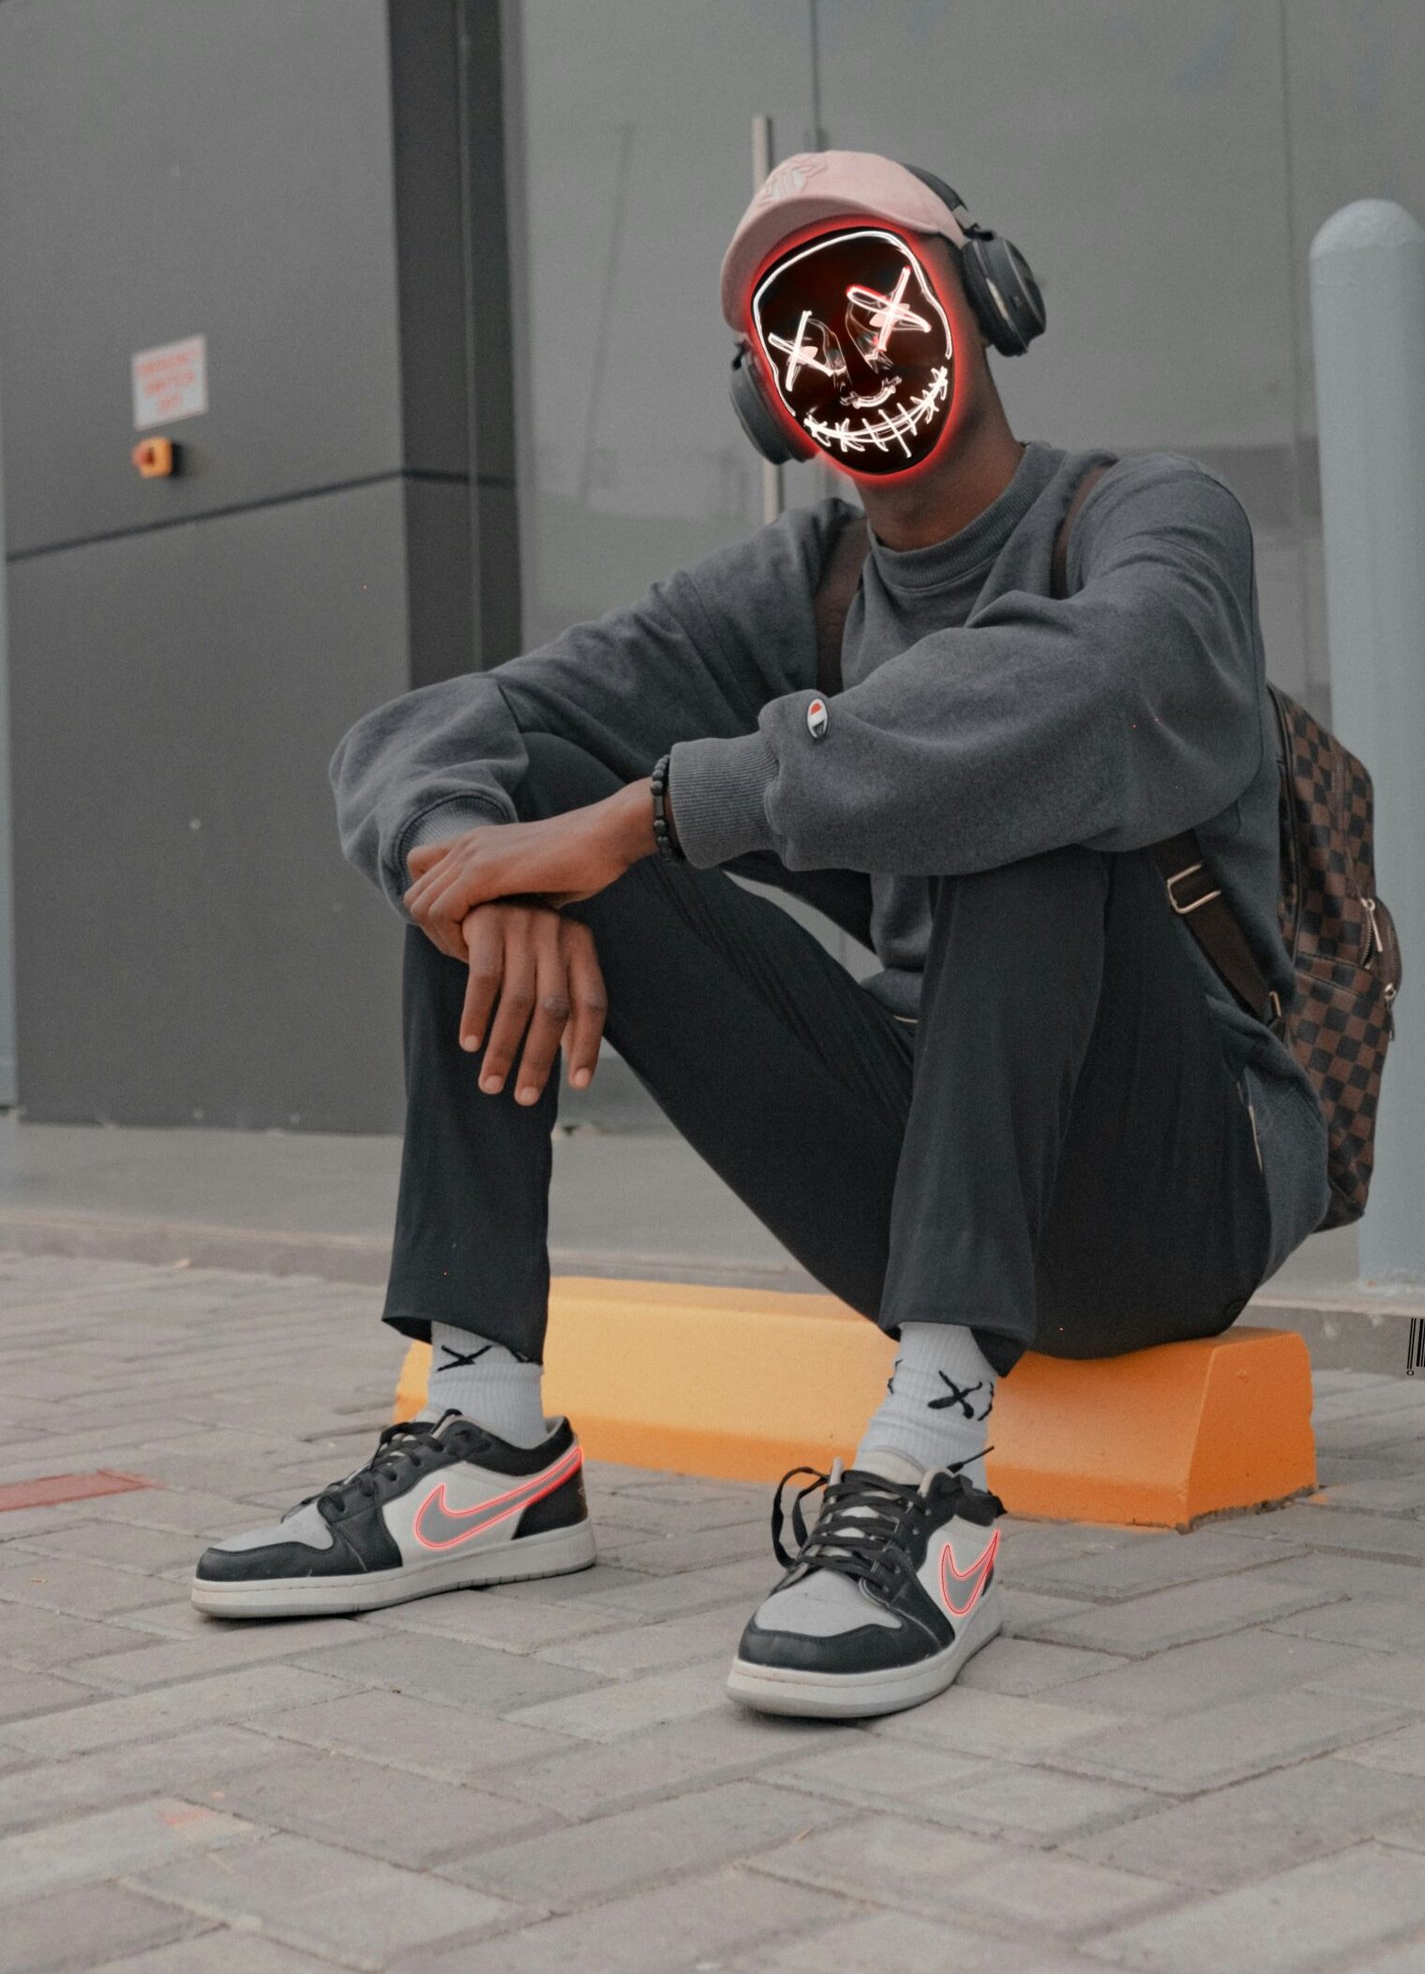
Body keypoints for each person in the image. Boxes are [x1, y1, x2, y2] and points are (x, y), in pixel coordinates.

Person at [192, 151, 1329, 1719]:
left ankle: (931, 1485)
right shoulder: (802, 588)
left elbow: (1109, 682)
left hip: (1176, 1188)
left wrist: (661, 810)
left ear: (982, 300)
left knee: (1008, 773)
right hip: (933, 1168)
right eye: (800, 329)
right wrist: (488, 863)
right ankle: (488, 1444)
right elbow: (445, 722)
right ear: (771, 407)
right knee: (493, 831)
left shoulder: (1147, 517)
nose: (848, 348)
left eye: (877, 291)